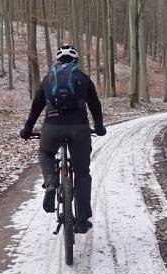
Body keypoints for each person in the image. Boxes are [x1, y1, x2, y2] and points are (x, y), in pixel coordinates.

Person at [20, 44, 106, 234]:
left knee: (45, 152)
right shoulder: (83, 79)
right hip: (79, 130)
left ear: (57, 61)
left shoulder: (48, 79)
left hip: (52, 128)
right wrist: (99, 128)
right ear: (76, 61)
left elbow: (36, 108)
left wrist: (27, 129)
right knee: (82, 173)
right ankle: (82, 220)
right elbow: (95, 106)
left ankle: (51, 182)